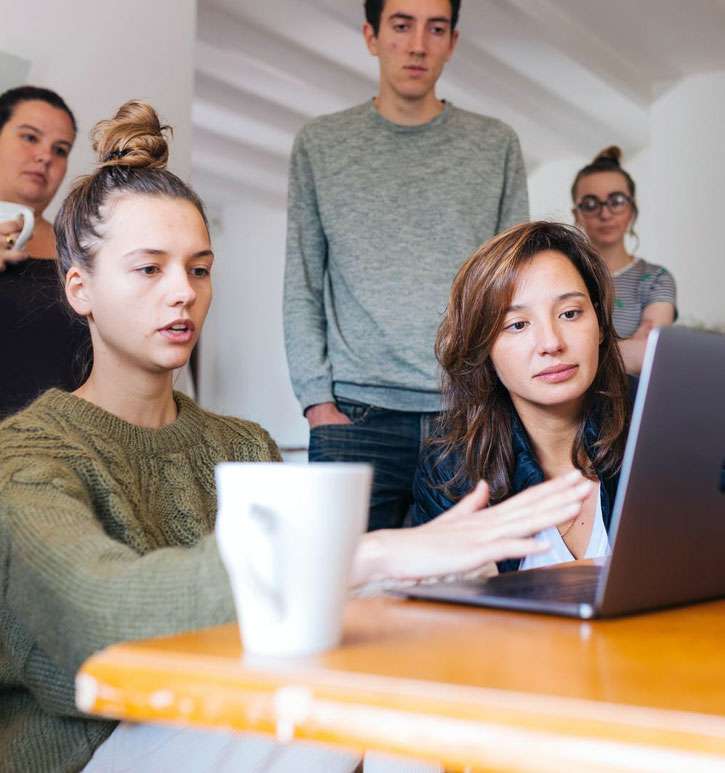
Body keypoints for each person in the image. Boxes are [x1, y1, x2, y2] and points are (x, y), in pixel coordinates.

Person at [0, 102, 589, 772]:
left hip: (233, 709)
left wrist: (436, 573)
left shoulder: (242, 443)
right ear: (80, 288)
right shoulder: (24, 457)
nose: (183, 293)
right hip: (92, 752)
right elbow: (101, 616)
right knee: (327, 711)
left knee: (417, 668)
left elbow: (294, 629)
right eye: (148, 268)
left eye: (198, 268)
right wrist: (363, 554)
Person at [284, 0, 529, 531]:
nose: (417, 44)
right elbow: (301, 280)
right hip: (352, 417)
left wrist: (505, 398)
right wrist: (315, 402)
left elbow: (515, 287)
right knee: (343, 597)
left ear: (452, 41)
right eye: (401, 25)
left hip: (467, 414)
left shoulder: (496, 146)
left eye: (435, 28)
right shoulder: (320, 145)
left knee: (461, 595)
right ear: (372, 36)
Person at [413, 221, 632, 572]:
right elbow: (437, 616)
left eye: (570, 313)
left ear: (601, 325)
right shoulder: (451, 468)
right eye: (517, 325)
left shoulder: (661, 427)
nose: (551, 343)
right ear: (482, 347)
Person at [0, 85, 92, 418]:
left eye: (61, 149)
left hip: (65, 449)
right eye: (29, 137)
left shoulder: (81, 251)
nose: (45, 156)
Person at [571, 146, 676, 374]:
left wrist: (573, 362)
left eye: (616, 200)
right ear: (576, 214)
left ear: (632, 208)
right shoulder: (563, 276)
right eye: (590, 204)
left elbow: (647, 354)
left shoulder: (657, 278)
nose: (605, 213)